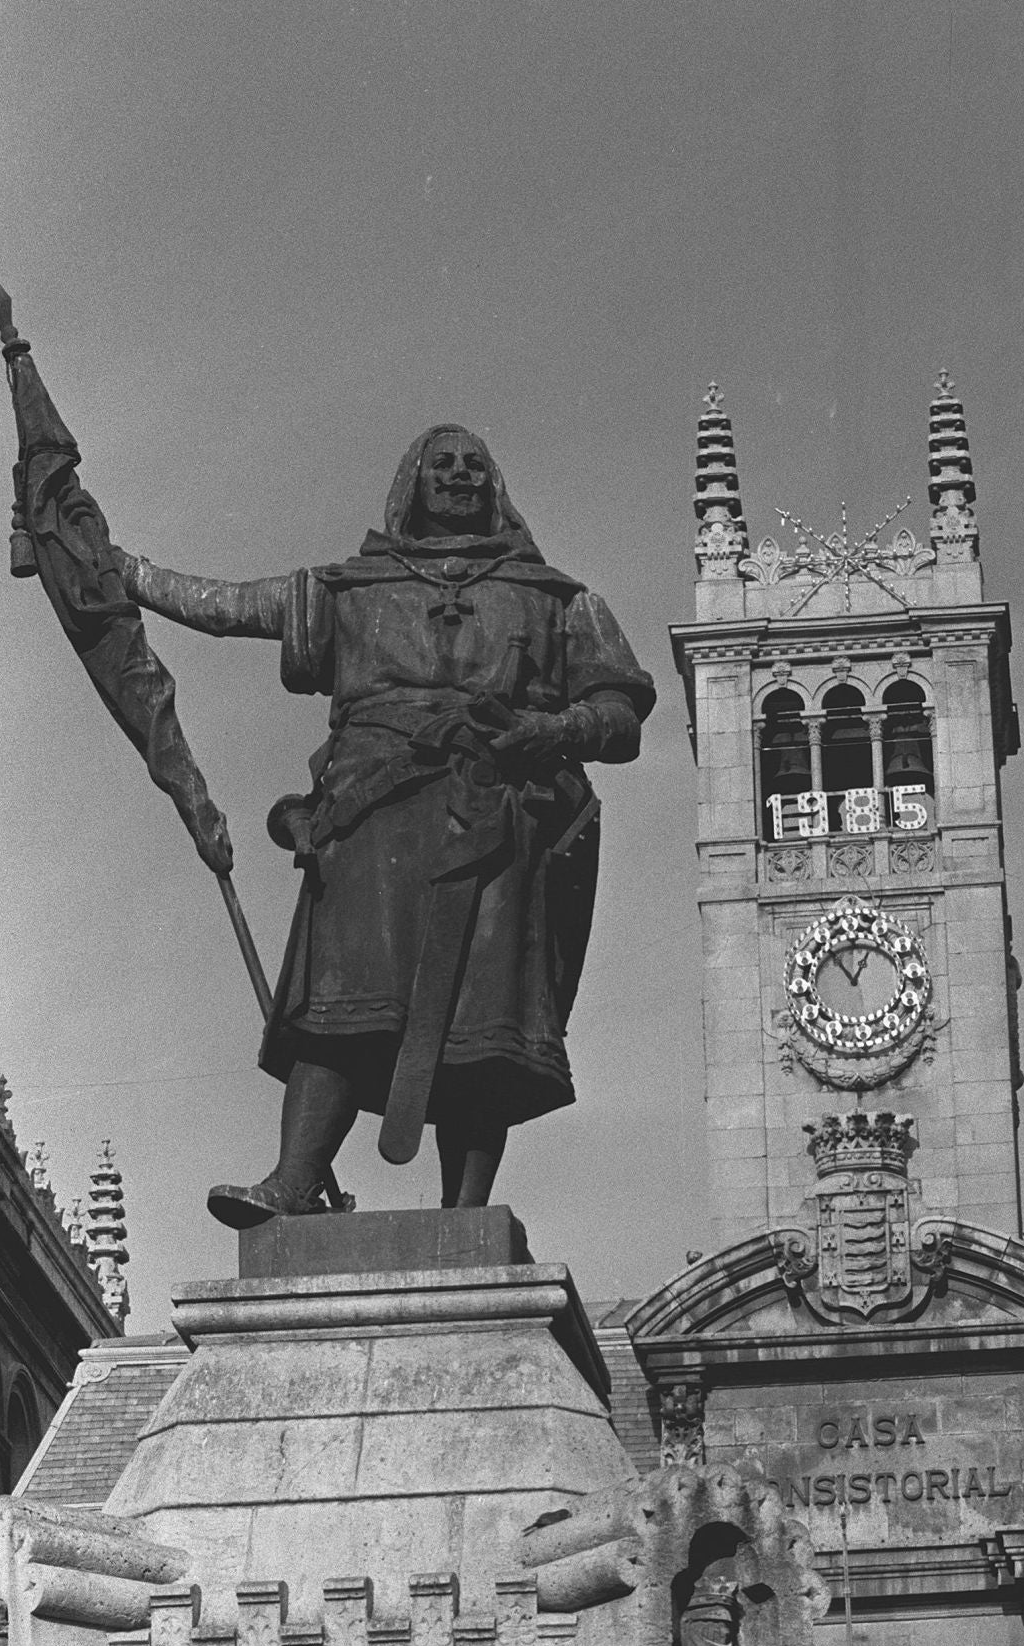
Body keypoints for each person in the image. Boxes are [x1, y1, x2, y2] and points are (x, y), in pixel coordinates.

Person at [116, 426, 654, 1226]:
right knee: (341, 1005)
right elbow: (225, 608)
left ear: (497, 487)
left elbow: (621, 713)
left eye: (476, 465)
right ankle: (293, 1183)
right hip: (370, 819)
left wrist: (558, 729)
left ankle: (463, 1217)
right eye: (443, 464)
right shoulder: (350, 589)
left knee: (483, 1028)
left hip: (495, 821)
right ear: (413, 483)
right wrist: (123, 573)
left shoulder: (558, 599)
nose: (461, 476)